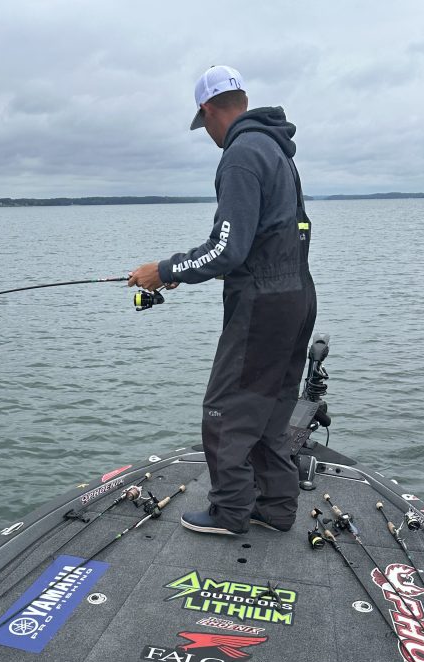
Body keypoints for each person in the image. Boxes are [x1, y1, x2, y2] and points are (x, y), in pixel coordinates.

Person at [128, 65, 317, 536]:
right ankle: (276, 508)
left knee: (226, 409)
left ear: (208, 110)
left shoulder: (240, 154)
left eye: (204, 123)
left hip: (263, 309)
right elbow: (256, 243)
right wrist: (187, 271)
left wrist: (164, 270)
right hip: (296, 298)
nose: (208, 134)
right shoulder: (275, 148)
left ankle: (230, 511)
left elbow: (227, 248)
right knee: (271, 411)